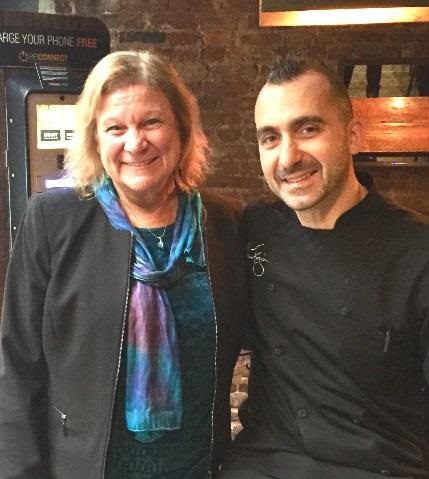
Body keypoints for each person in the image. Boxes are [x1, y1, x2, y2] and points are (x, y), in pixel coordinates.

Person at [0, 50, 246, 479]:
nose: (135, 143)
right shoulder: (53, 220)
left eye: (151, 122)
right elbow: (17, 367)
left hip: (197, 469)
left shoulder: (223, 224)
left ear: (182, 130)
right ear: (96, 139)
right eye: (116, 128)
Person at [219, 56, 429, 478]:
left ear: (353, 136)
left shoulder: (417, 252)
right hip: (262, 463)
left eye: (308, 129)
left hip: (377, 466)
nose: (288, 157)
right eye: (270, 138)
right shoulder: (255, 229)